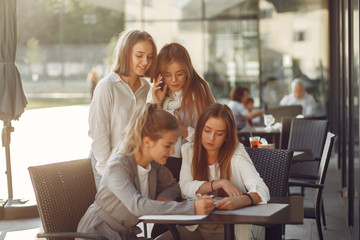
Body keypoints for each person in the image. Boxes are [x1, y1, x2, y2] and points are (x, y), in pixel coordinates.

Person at [76, 103, 215, 240]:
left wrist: (164, 199)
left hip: (126, 235)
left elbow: (173, 186)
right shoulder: (118, 165)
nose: (172, 151)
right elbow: (137, 206)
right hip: (98, 234)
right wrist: (191, 208)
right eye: (167, 145)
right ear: (148, 141)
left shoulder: (153, 165)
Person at [158, 103, 270, 240]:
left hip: (230, 230)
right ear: (200, 130)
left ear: (227, 136)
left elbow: (262, 190)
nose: (211, 138)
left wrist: (240, 201)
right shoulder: (189, 150)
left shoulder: (237, 152)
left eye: (219, 134)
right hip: (197, 226)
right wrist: (219, 183)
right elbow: (184, 187)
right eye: (207, 131)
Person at [88, 30, 157, 187]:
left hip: (132, 165)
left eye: (150, 56)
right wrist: (109, 174)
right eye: (139, 56)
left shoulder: (145, 87)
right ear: (126, 54)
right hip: (105, 165)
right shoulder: (107, 86)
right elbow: (99, 136)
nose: (146, 62)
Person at [151, 42, 215, 182]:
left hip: (194, 162)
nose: (173, 80)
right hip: (165, 162)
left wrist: (183, 131)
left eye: (179, 74)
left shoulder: (199, 94)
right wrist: (156, 103)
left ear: (187, 71)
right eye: (167, 75)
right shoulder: (158, 94)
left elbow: (212, 136)